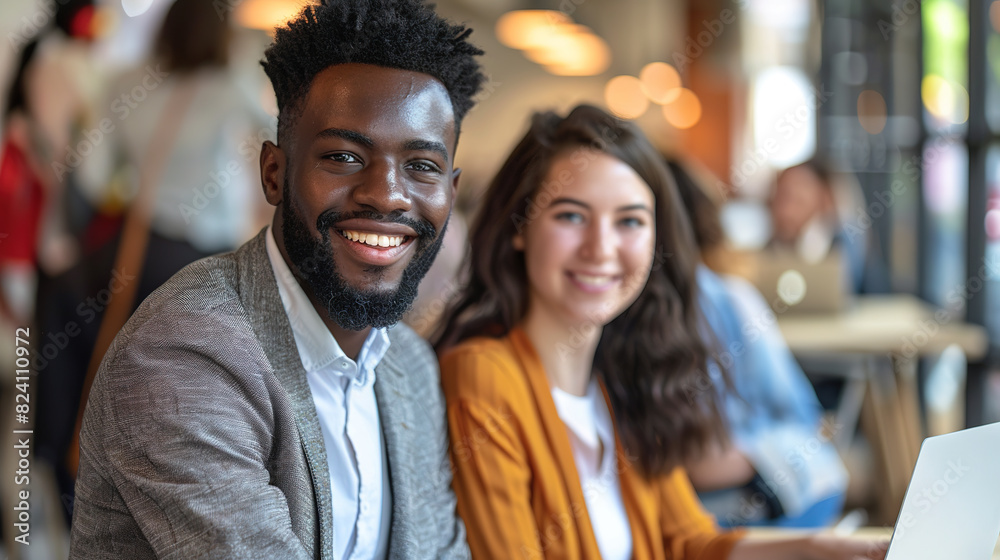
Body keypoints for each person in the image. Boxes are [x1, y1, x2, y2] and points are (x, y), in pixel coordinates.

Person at [68, 0, 484, 558]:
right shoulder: (183, 353)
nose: (386, 194)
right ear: (274, 173)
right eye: (342, 156)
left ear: (451, 193)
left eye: (422, 166)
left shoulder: (409, 366)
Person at [435, 105, 885, 559]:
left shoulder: (621, 381)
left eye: (630, 221)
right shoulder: (484, 377)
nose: (601, 249)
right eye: (571, 216)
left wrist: (828, 552)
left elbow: (690, 542)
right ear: (520, 227)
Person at [667, 158, 849, 528]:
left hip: (741, 465)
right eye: (781, 197)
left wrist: (746, 457)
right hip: (712, 486)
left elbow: (802, 418)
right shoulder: (731, 292)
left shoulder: (837, 243)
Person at [769, 159, 887, 294]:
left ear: (824, 201)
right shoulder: (767, 251)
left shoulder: (844, 243)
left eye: (799, 201)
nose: (786, 212)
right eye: (781, 199)